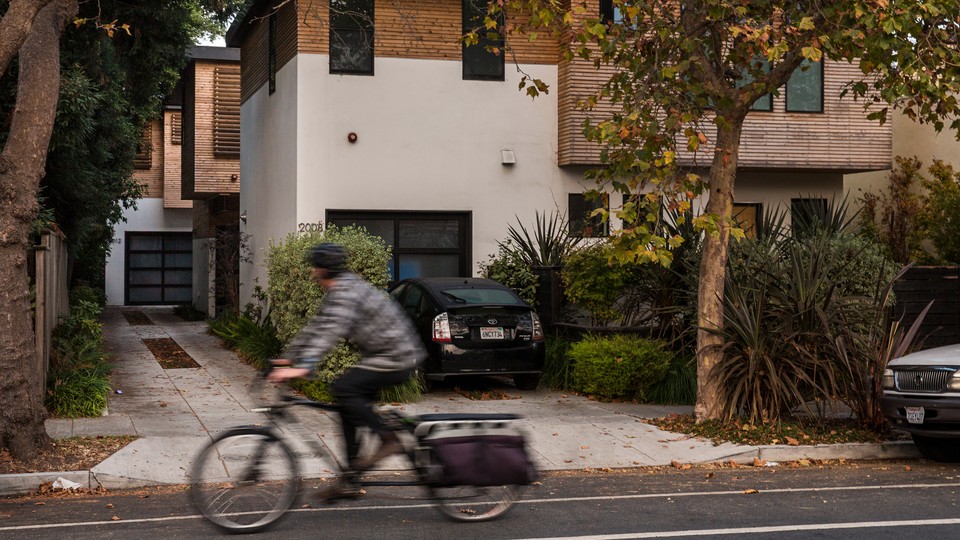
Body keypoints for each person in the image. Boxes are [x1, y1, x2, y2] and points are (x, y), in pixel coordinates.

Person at [268, 242, 425, 499]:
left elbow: (330, 333)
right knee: (346, 402)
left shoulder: (346, 293)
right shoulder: (341, 289)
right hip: (384, 355)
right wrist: (287, 359)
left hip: (397, 357)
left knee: (344, 388)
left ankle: (388, 439)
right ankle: (351, 478)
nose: (312, 273)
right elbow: (317, 327)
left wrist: (302, 368)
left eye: (314, 268)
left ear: (322, 270)